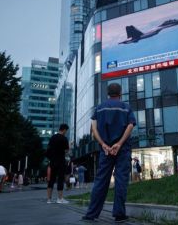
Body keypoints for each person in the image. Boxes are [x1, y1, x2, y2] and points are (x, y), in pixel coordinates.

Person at [82, 83, 136, 223]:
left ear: (108, 93)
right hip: (122, 150)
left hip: (105, 151)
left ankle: (91, 214)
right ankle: (119, 215)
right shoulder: (126, 107)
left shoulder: (99, 108)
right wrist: (119, 144)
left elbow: (94, 129)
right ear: (120, 93)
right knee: (121, 180)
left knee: (101, 181)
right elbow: (130, 126)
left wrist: (103, 144)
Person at [45, 123, 69, 204]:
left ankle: (49, 199)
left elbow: (48, 149)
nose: (66, 132)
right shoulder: (64, 139)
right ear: (64, 130)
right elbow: (66, 151)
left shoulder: (53, 137)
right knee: (60, 179)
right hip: (61, 161)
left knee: (51, 180)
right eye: (66, 131)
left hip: (53, 161)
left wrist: (51, 158)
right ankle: (60, 199)